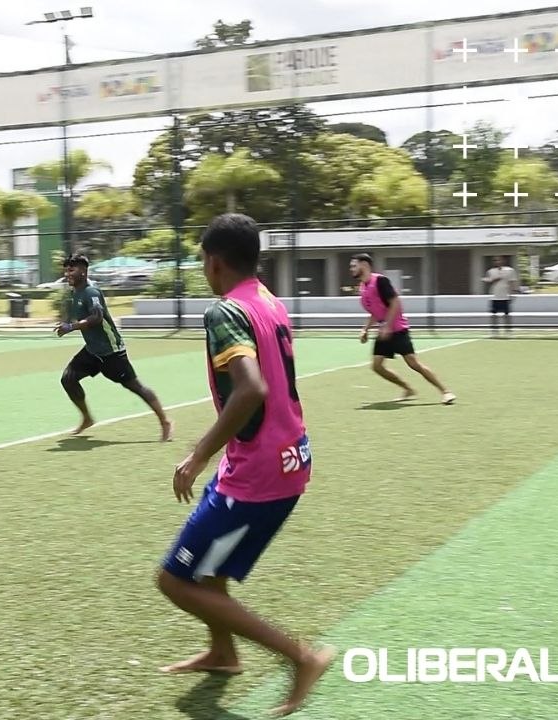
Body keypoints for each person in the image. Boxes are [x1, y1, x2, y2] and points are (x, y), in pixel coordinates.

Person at [158, 214, 333, 717]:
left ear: (213, 262)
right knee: (209, 571)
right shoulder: (270, 300)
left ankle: (300, 658)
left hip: (259, 470)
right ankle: (223, 652)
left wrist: (197, 454)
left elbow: (252, 388)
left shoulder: (225, 312)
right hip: (285, 456)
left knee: (174, 581)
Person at [56, 254, 172, 440]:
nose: (67, 273)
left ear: (84, 272)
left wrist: (71, 327)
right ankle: (87, 418)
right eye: (66, 269)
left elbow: (96, 317)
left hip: (111, 351)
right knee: (68, 379)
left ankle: (165, 421)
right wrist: (66, 322)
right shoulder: (75, 292)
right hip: (93, 351)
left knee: (135, 386)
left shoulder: (91, 291)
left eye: (72, 269)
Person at [349, 253, 456, 405]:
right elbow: (375, 312)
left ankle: (446, 392)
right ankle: (408, 389)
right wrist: (365, 329)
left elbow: (395, 302)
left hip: (398, 329)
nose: (351, 269)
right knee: (377, 366)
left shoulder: (380, 281)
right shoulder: (362, 288)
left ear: (364, 265)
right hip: (384, 332)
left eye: (354, 265)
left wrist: (387, 325)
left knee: (413, 363)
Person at [483, 255, 520, 336]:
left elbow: (512, 282)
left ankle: (508, 331)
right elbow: (486, 279)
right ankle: (494, 331)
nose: (497, 262)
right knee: (493, 315)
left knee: (506, 315)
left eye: (499, 260)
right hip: (494, 296)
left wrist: (513, 293)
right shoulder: (491, 271)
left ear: (503, 261)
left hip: (505, 296)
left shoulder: (510, 270)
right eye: (495, 260)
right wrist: (491, 280)